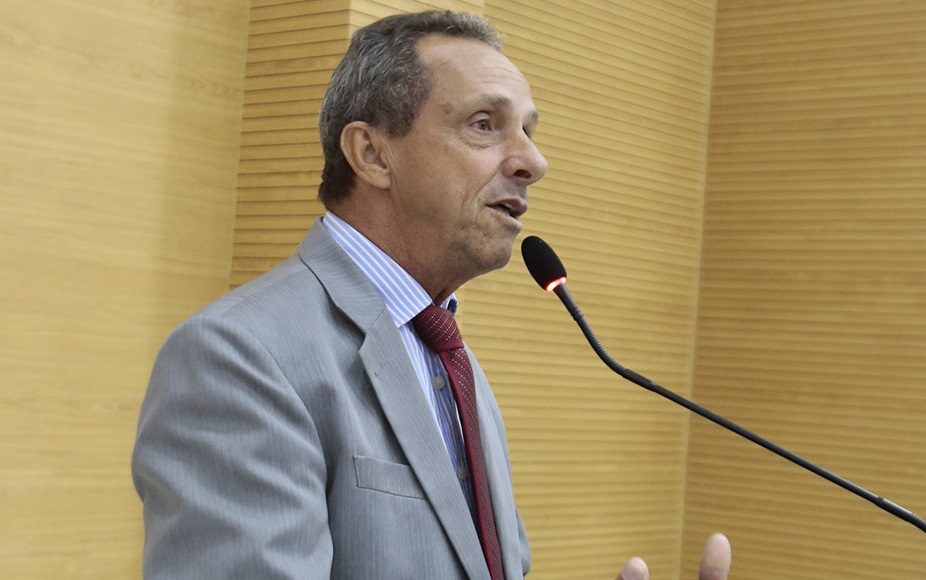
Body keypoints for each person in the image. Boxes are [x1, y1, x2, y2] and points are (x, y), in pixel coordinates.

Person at [132, 10, 731, 580]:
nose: (533, 161)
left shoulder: (446, 353)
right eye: (484, 124)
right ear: (373, 155)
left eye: (527, 130)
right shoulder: (238, 356)